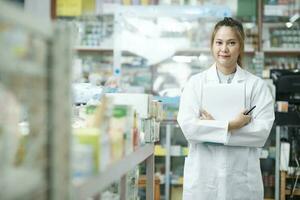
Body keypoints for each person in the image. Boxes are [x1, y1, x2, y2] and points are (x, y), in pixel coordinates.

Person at [177, 17, 275, 200]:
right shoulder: (195, 84)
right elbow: (189, 128)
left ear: (240, 46)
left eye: (231, 43)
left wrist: (211, 129)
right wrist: (232, 125)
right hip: (204, 179)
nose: (224, 49)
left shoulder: (256, 86)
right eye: (219, 42)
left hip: (241, 181)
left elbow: (261, 133)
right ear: (212, 45)